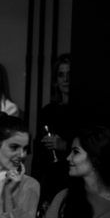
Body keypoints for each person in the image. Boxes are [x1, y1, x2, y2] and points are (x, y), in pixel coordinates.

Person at [34, 53, 77, 207]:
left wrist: (65, 145)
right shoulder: (47, 111)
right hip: (50, 178)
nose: (65, 79)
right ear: (55, 80)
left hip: (75, 179)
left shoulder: (85, 111)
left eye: (69, 74)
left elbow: (92, 146)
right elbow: (39, 152)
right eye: (61, 75)